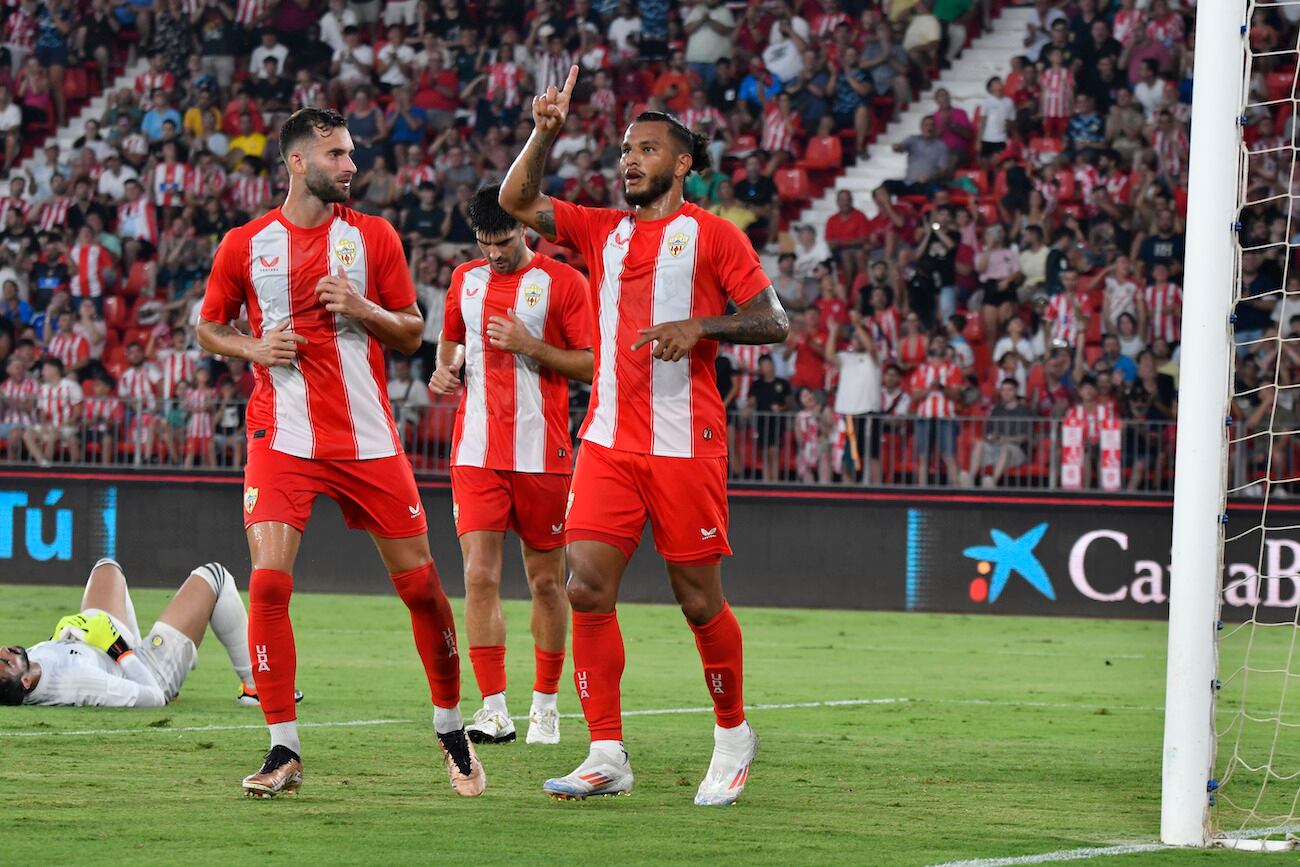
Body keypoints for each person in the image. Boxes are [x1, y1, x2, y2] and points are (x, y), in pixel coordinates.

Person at [499, 66, 788, 805]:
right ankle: (606, 752)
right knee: (586, 586)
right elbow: (517, 200)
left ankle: (732, 733)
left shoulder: (714, 236)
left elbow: (774, 321)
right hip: (606, 441)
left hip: (685, 442)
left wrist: (703, 325)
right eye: (626, 148)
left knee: (697, 598)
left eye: (649, 149)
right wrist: (545, 131)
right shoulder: (604, 231)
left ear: (682, 164)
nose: (630, 159)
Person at [196, 108, 482, 799]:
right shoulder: (246, 244)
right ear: (296, 162)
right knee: (266, 584)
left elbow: (413, 332)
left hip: (367, 438)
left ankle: (450, 726)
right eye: (335, 154)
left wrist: (362, 308)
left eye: (350, 153)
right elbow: (208, 325)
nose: (350, 166)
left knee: (422, 588)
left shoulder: (374, 237)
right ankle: (283, 748)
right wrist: (253, 348)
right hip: (282, 435)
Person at [428, 184, 593, 746]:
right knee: (478, 576)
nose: (494, 253)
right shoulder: (464, 282)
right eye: (483, 242)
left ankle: (545, 705)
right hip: (475, 453)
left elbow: (593, 364)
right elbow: (449, 343)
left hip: (542, 456)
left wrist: (532, 345)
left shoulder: (563, 283)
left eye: (502, 240)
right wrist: (445, 370)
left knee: (548, 582)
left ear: (523, 227)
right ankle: (493, 708)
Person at [0, 559, 297, 710]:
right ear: (25, 681)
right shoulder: (79, 682)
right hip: (143, 671)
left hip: (104, 646)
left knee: (106, 568)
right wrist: (120, 649)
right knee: (214, 576)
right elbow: (153, 697)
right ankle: (256, 687)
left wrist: (61, 637)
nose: (4, 652)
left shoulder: (30, 670)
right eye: (7, 663)